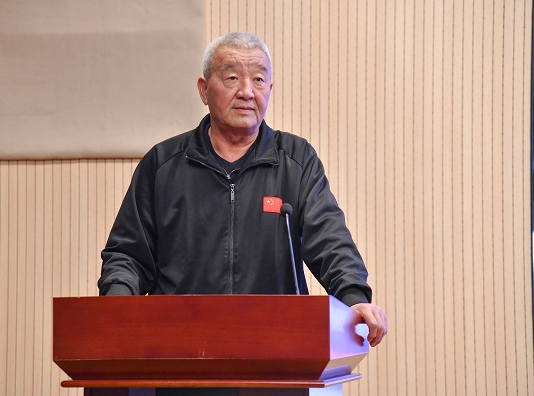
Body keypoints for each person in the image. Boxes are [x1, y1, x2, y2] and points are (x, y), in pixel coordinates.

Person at [98, 31, 387, 347]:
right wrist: (116, 306)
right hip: (179, 345)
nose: (247, 92)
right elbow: (128, 254)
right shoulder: (162, 164)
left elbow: (330, 240)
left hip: (276, 344)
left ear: (270, 90)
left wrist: (353, 297)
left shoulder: (297, 161)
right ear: (204, 90)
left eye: (259, 80)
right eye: (232, 78)